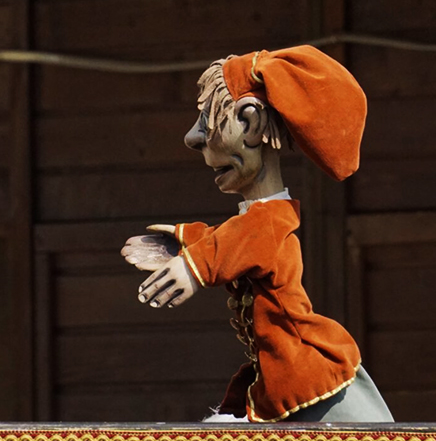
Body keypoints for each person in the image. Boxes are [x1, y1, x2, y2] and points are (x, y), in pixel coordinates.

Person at [122, 45, 393, 423]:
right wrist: (188, 242)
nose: (193, 137)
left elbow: (245, 240)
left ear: (250, 123)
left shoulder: (270, 221)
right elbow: (238, 242)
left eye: (207, 120)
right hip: (281, 371)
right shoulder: (258, 224)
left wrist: (195, 266)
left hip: (303, 376)